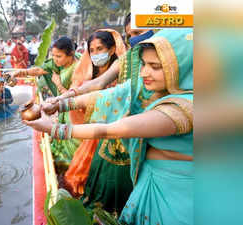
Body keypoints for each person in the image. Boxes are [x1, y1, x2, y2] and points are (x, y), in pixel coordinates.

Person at [25, 29, 193, 224]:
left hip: (176, 196)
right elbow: (104, 95)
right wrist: (60, 103)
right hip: (148, 180)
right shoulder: (147, 86)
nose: (144, 72)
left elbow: (115, 129)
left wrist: (54, 129)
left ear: (181, 66)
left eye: (154, 66)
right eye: (144, 64)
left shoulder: (185, 108)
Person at [61, 30, 131, 214]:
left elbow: (99, 89)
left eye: (100, 48)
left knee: (105, 176)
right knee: (86, 173)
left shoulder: (123, 68)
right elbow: (86, 89)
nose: (95, 54)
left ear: (112, 49)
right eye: (92, 50)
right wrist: (63, 99)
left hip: (116, 130)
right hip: (92, 129)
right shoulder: (90, 71)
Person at [52, 13, 155, 103]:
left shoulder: (167, 54)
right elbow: (99, 83)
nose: (133, 39)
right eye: (129, 36)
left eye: (137, 33)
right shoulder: (125, 61)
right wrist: (62, 99)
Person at [11, 36, 82, 167]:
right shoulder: (59, 63)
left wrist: (59, 85)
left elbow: (78, 95)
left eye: (58, 56)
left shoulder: (80, 69)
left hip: (76, 110)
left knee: (73, 139)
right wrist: (19, 72)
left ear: (71, 54)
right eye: (53, 55)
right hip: (63, 106)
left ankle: (72, 165)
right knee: (62, 133)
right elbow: (39, 70)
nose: (55, 59)